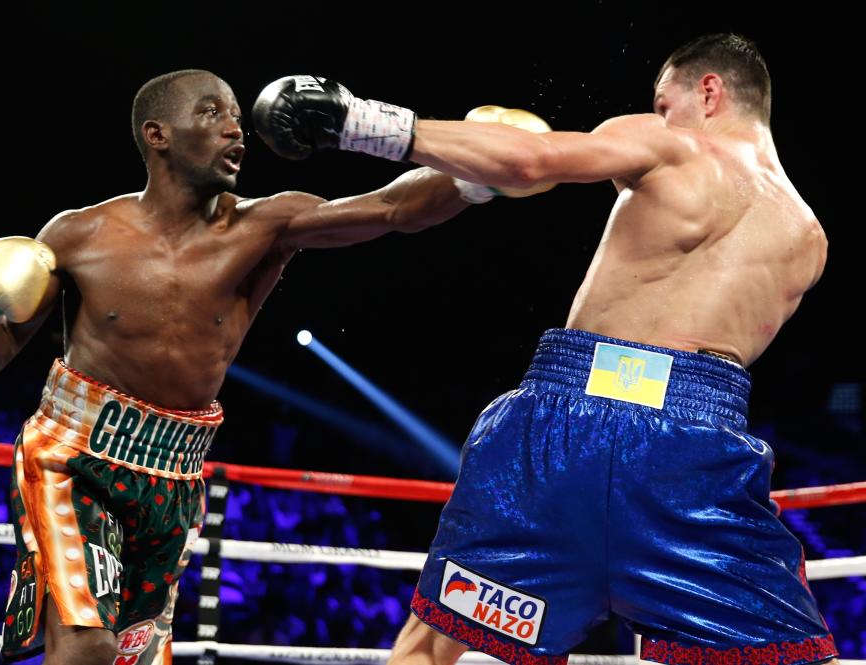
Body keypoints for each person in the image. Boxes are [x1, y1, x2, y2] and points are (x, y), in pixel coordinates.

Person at [253, 34, 838, 665]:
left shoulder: (672, 142)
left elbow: (530, 161)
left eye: (663, 102)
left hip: (571, 417)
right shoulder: (807, 236)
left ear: (709, 91)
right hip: (696, 452)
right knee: (788, 655)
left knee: (433, 645)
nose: (658, 114)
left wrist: (361, 122)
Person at [0, 69, 470, 665]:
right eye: (211, 113)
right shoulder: (77, 235)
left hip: (175, 473)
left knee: (135, 655)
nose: (236, 130)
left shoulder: (265, 226)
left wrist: (479, 177)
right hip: (74, 458)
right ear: (158, 134)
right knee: (87, 642)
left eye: (235, 116)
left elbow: (393, 208)